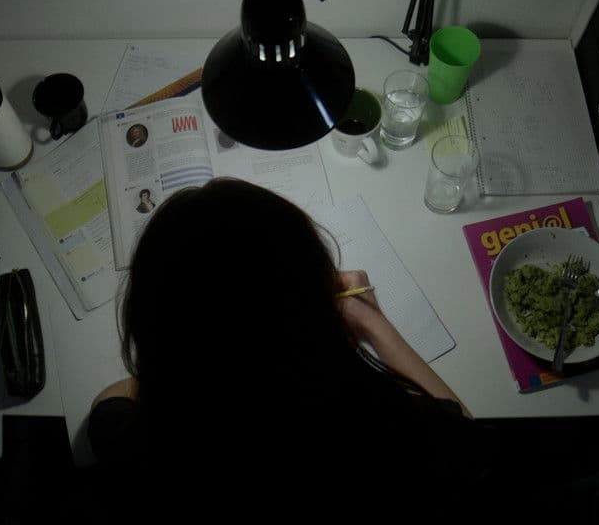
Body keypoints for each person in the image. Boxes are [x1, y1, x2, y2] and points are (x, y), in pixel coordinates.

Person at [86, 178, 493, 513]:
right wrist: (372, 321)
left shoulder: (131, 441)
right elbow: (468, 444)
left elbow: (111, 399)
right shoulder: (383, 434)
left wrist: (188, 356)